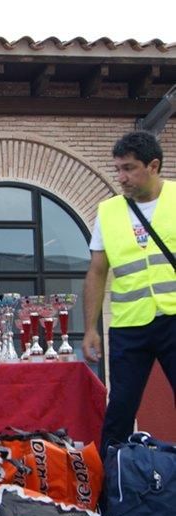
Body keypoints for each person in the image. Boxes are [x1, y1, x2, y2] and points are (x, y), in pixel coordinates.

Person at [83, 131, 175, 454]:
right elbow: (97, 271)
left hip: (174, 318)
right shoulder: (108, 211)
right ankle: (111, 487)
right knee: (120, 407)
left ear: (153, 166)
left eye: (129, 169)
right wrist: (91, 329)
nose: (121, 177)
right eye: (118, 169)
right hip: (128, 325)